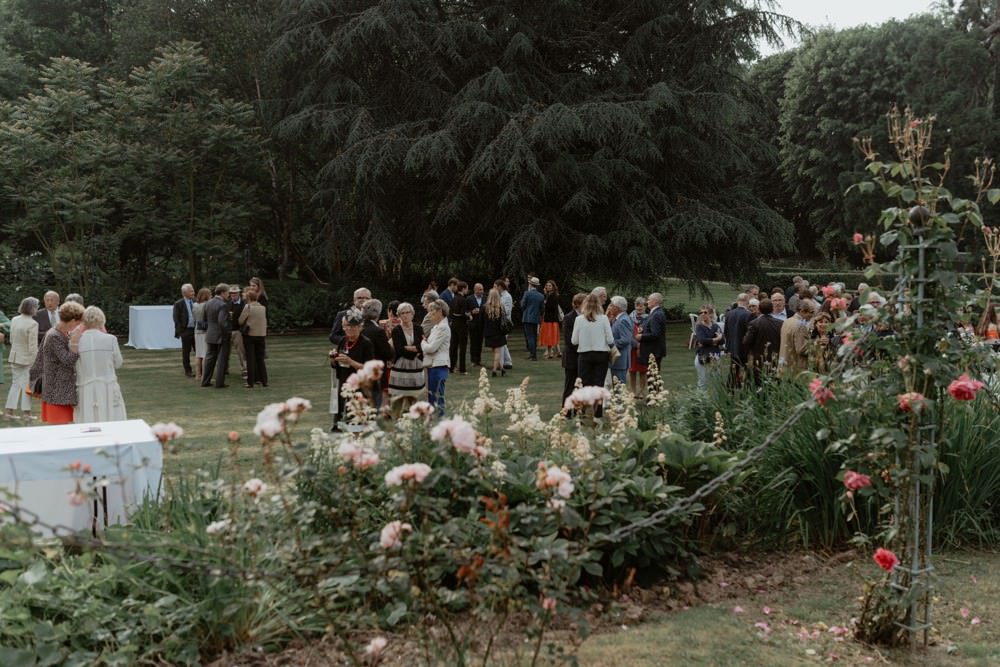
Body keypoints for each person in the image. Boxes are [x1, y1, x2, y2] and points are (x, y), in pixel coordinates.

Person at [31, 301, 84, 424]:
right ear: (72, 321)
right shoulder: (54, 335)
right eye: (79, 322)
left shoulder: (60, 333)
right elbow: (68, 360)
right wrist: (75, 343)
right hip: (57, 392)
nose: (79, 325)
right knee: (59, 431)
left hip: (62, 391)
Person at [74, 306, 126, 422]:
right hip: (107, 386)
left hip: (85, 388)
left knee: (86, 421)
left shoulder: (76, 341)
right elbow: (118, 363)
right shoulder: (111, 339)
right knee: (111, 420)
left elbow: (74, 365)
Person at [330, 309, 375, 428]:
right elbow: (337, 365)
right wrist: (333, 360)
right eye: (345, 326)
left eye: (351, 326)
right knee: (341, 422)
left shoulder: (366, 343)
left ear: (360, 327)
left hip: (359, 387)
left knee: (357, 423)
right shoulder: (343, 341)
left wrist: (351, 362)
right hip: (344, 385)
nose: (347, 329)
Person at [572, 293, 614, 415]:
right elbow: (610, 340)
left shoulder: (579, 319)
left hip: (585, 355)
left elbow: (574, 340)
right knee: (599, 384)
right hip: (601, 354)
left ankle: (583, 412)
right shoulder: (604, 319)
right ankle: (598, 413)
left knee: (585, 384)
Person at [388, 302, 425, 417]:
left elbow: (422, 346)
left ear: (412, 314)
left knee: (415, 395)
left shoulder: (419, 328)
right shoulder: (396, 330)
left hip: (417, 366)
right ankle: (398, 418)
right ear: (399, 315)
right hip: (401, 366)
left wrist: (413, 348)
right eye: (402, 313)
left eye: (407, 312)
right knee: (400, 395)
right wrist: (415, 351)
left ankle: (415, 417)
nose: (405, 315)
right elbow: (399, 350)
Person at [5, 297, 39, 421]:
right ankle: (26, 414)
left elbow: (11, 339)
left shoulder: (14, 319)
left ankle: (9, 412)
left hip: (14, 355)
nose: (37, 309)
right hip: (26, 358)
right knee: (26, 386)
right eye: (36, 306)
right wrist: (35, 362)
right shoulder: (33, 323)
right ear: (32, 308)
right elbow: (32, 346)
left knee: (15, 384)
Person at [421, 299, 451, 416]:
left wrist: (423, 342)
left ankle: (440, 420)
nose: (430, 314)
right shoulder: (436, 327)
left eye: (432, 310)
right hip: (431, 364)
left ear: (440, 311)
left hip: (438, 365)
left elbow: (431, 348)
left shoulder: (443, 327)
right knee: (431, 396)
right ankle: (434, 421)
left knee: (437, 396)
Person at [743, 298, 783, 386]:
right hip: (774, 358)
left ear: (759, 310)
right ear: (772, 309)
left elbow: (746, 341)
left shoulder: (754, 323)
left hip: (758, 359)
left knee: (758, 384)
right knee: (772, 384)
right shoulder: (780, 323)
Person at [362, 299, 393, 409]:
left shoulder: (359, 328)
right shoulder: (378, 331)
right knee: (376, 406)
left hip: (361, 373)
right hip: (376, 374)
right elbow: (387, 353)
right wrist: (390, 338)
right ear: (378, 312)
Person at [201, 284, 232, 388]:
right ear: (223, 292)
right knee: (222, 359)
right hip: (221, 335)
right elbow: (222, 322)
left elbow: (204, 319)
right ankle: (219, 383)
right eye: (228, 292)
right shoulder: (222, 305)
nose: (229, 294)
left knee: (209, 359)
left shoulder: (207, 303)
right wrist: (227, 332)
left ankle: (205, 381)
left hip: (210, 334)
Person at [238, 289, 268, 388]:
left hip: (250, 335)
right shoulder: (263, 308)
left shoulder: (248, 307)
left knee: (250, 359)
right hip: (261, 335)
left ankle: (250, 382)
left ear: (249, 298)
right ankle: (264, 381)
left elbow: (240, 321)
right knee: (260, 359)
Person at [779, 298, 818, 375]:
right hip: (795, 368)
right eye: (812, 312)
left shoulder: (787, 321)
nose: (813, 315)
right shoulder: (800, 325)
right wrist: (816, 344)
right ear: (802, 311)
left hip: (784, 365)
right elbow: (801, 349)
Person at [724, 294, 753, 389]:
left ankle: (730, 392)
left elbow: (726, 332)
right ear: (748, 302)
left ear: (737, 301)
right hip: (744, 349)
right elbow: (750, 334)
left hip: (732, 348)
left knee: (733, 372)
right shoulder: (748, 315)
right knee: (745, 373)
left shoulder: (729, 314)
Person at [693, 304, 724, 390]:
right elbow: (702, 340)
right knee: (702, 382)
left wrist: (713, 340)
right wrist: (715, 339)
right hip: (703, 356)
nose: (703, 314)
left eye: (705, 312)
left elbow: (722, 341)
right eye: (701, 312)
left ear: (710, 314)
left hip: (714, 356)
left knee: (716, 382)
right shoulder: (699, 326)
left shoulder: (716, 326)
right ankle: (700, 402)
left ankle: (715, 402)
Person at [561, 293, 585, 401]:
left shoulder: (586, 318)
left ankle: (577, 411)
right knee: (570, 385)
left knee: (580, 386)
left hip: (582, 357)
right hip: (571, 357)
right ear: (578, 304)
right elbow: (569, 340)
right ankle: (565, 411)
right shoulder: (569, 318)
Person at [638, 292, 668, 371]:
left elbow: (655, 334)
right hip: (652, 350)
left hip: (653, 351)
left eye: (649, 300)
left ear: (654, 301)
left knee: (653, 376)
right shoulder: (654, 313)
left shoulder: (656, 314)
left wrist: (641, 336)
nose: (647, 302)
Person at [607, 296, 633, 386]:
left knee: (619, 388)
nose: (609, 308)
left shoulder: (623, 320)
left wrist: (610, 344)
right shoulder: (618, 319)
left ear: (616, 308)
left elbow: (626, 339)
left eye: (611, 305)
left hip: (620, 360)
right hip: (617, 360)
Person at [172, 283, 196, 377]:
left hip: (196, 329)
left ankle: (200, 369)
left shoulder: (195, 301)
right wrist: (181, 331)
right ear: (184, 293)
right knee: (186, 351)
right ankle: (188, 370)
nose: (193, 292)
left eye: (193, 290)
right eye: (191, 291)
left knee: (198, 350)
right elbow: (176, 318)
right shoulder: (179, 303)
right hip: (185, 330)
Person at [483, 288, 508, 377]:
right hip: (498, 332)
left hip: (489, 332)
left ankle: (499, 369)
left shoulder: (485, 307)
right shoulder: (501, 307)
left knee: (495, 351)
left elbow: (481, 320)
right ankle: (497, 369)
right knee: (497, 352)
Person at [628, 296, 649, 397]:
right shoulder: (629, 318)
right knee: (632, 370)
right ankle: (632, 391)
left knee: (643, 371)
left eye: (641, 306)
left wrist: (641, 345)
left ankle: (641, 392)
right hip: (632, 348)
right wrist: (636, 344)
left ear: (645, 307)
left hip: (643, 348)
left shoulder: (648, 318)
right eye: (637, 306)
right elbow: (628, 334)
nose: (639, 308)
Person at [520, 276, 545, 361]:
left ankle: (533, 354)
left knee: (530, 336)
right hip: (536, 318)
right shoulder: (541, 296)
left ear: (530, 284)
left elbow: (522, 305)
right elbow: (542, 309)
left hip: (527, 317)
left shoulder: (527, 293)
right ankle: (533, 354)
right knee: (534, 336)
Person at [448, 281, 470, 374]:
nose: (467, 290)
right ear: (463, 289)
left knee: (453, 346)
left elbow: (451, 313)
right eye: (467, 288)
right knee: (462, 347)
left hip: (454, 325)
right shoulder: (463, 300)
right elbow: (463, 314)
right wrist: (469, 316)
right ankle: (462, 369)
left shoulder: (453, 299)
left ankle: (451, 367)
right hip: (462, 325)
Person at [228, 285, 248, 381]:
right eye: (232, 293)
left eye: (235, 293)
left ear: (239, 293)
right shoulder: (228, 304)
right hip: (228, 331)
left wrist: (241, 330)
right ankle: (225, 369)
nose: (233, 295)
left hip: (238, 331)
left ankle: (244, 370)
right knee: (225, 352)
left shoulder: (244, 304)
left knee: (241, 352)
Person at [192, 287, 211, 381]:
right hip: (205, 330)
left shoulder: (194, 305)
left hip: (197, 330)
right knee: (205, 355)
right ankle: (204, 376)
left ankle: (197, 375)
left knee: (198, 354)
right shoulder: (207, 305)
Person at [540, 280, 562, 359]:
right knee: (552, 337)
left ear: (553, 287)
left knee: (549, 337)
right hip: (551, 319)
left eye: (550, 286)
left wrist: (545, 303)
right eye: (547, 285)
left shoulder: (553, 295)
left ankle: (550, 353)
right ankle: (555, 352)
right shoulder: (550, 295)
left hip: (550, 320)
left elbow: (552, 307)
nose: (548, 287)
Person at [467, 283, 486, 367]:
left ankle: (478, 360)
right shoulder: (469, 299)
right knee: (473, 342)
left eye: (482, 289)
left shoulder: (485, 298)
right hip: (473, 324)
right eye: (480, 289)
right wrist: (472, 312)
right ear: (475, 290)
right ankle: (473, 360)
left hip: (482, 324)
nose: (482, 291)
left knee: (480, 342)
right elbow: (466, 311)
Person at [497, 278, 514, 369]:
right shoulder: (499, 295)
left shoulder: (507, 296)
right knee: (503, 344)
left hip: (505, 323)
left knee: (502, 343)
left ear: (500, 287)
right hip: (499, 322)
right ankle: (507, 362)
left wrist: (498, 309)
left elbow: (507, 310)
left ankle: (503, 363)